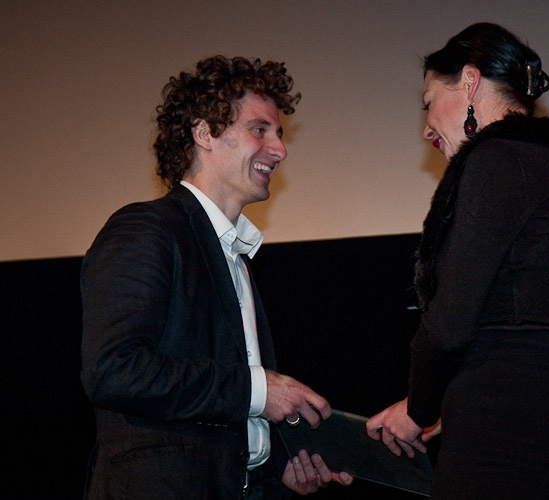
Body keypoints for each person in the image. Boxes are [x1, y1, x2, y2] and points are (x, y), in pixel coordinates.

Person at [80, 55, 352, 499]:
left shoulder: (236, 257)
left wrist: (274, 469)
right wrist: (259, 389)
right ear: (204, 133)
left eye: (279, 134)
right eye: (260, 130)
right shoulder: (147, 229)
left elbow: (214, 421)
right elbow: (113, 370)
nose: (280, 150)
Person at [366, 23, 549, 499]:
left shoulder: (497, 160)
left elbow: (450, 321)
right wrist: (446, 404)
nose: (426, 127)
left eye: (429, 101)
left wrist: (417, 409)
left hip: (505, 442)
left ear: (470, 81)